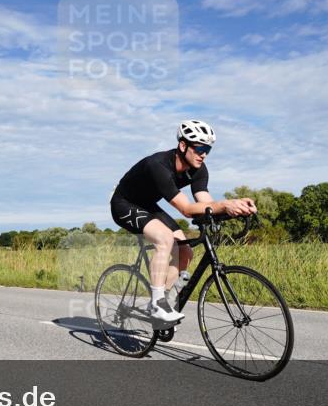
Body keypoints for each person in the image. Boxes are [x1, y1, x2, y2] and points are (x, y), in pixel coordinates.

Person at [110, 120, 256, 324]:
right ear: (183, 145)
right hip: (123, 203)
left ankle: (164, 304)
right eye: (200, 149)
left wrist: (234, 209)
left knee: (185, 251)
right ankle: (157, 304)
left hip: (148, 205)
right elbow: (186, 209)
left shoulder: (199, 169)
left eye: (208, 150)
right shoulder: (158, 165)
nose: (204, 154)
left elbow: (206, 203)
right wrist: (224, 205)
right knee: (164, 239)